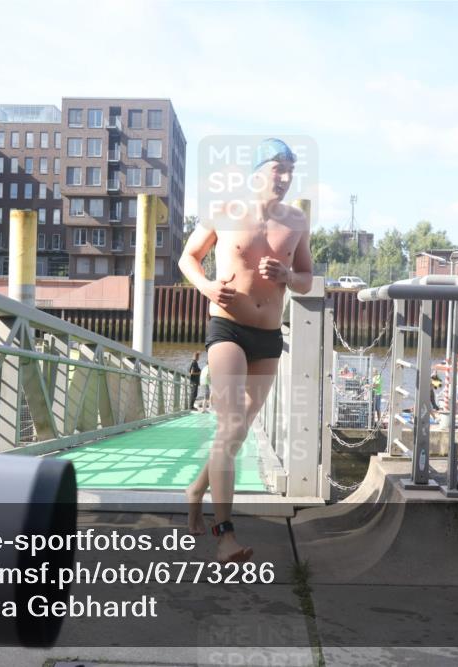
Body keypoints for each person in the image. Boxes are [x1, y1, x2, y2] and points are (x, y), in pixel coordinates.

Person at [178, 138, 312, 562]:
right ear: (257, 171)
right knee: (231, 422)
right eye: (278, 168)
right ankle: (225, 536)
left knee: (237, 432)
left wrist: (288, 275)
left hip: (268, 338)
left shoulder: (297, 221)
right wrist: (206, 286)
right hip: (228, 329)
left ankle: (195, 490)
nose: (285, 177)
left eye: (291, 169)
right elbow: (188, 257)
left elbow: (307, 279)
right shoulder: (225, 210)